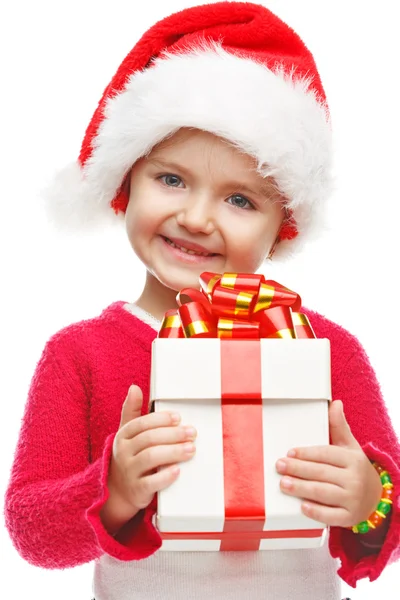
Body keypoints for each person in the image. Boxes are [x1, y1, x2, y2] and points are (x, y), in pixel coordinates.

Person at [4, 2, 400, 599]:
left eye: (240, 200)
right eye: (171, 179)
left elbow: (391, 507)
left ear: (283, 225)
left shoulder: (327, 350)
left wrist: (372, 501)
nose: (195, 217)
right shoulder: (79, 354)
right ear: (125, 182)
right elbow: (31, 533)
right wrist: (111, 493)